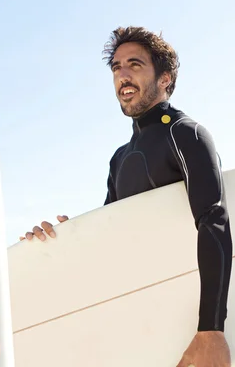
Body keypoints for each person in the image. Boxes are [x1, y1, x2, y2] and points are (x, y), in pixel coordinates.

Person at [21, 26, 232, 367]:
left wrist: (212, 330)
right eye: (116, 67)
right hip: (148, 328)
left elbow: (214, 223)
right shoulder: (119, 157)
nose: (122, 74)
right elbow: (112, 245)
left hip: (196, 322)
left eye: (134, 64)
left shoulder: (186, 134)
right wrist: (62, 241)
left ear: (165, 78)